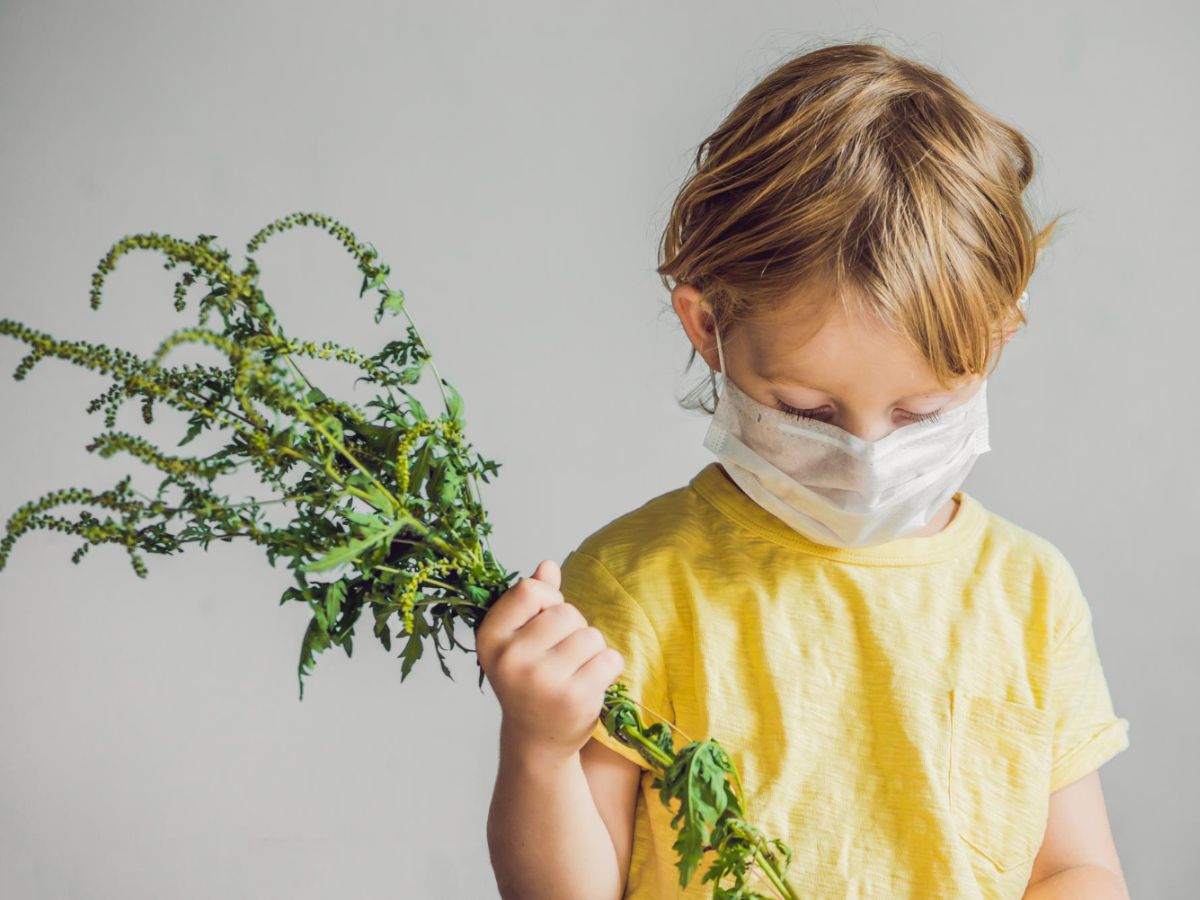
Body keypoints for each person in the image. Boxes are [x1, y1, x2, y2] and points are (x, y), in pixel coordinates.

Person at [479, 41, 1131, 899]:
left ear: (998, 337)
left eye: (919, 414)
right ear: (708, 326)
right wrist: (538, 748)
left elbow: (1074, 866)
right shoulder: (636, 589)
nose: (865, 458)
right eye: (809, 412)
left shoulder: (1031, 595)